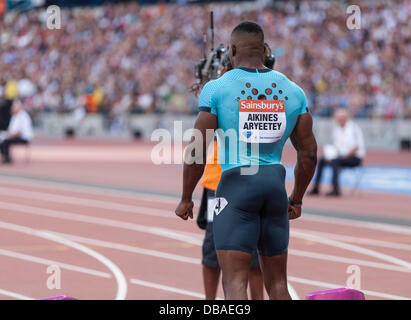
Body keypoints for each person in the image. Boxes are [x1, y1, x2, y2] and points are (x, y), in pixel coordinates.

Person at [175, 22, 317, 300]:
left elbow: (197, 151)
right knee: (277, 284)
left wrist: (185, 197)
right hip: (275, 187)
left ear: (233, 50)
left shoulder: (217, 88)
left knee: (235, 283)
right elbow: (309, 154)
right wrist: (297, 198)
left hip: (236, 187)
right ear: (265, 50)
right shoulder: (293, 91)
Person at [197, 140, 264, 300]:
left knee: (253, 249)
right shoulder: (216, 115)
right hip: (217, 182)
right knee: (212, 247)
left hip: (250, 179)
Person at [309, 108, 365, 196]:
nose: (340, 120)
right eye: (338, 118)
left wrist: (341, 157)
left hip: (354, 158)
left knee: (335, 161)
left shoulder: (354, 129)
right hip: (340, 156)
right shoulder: (337, 130)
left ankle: (335, 189)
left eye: (342, 118)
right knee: (322, 160)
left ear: (346, 118)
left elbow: (356, 148)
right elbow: (337, 147)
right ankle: (316, 188)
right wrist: (330, 155)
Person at [0, 99, 33, 164]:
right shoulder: (14, 116)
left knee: (5, 142)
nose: (12, 109)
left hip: (23, 137)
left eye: (13, 107)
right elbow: (11, 130)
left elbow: (19, 132)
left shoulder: (23, 116)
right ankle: (6, 156)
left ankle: (7, 158)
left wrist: (9, 135)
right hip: (14, 135)